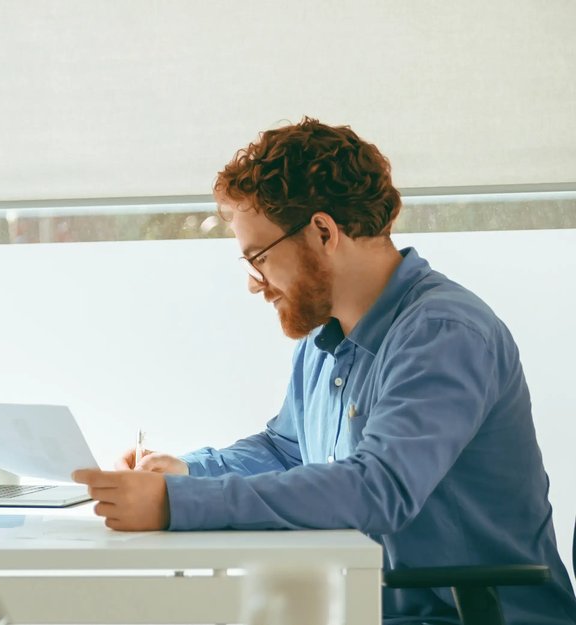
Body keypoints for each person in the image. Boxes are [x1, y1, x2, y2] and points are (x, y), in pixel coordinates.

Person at [71, 118, 576, 624]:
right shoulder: (324, 337)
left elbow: (378, 488)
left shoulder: (443, 334)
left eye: (259, 258)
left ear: (322, 232)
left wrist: (178, 503)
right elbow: (286, 450)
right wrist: (186, 472)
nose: (254, 283)